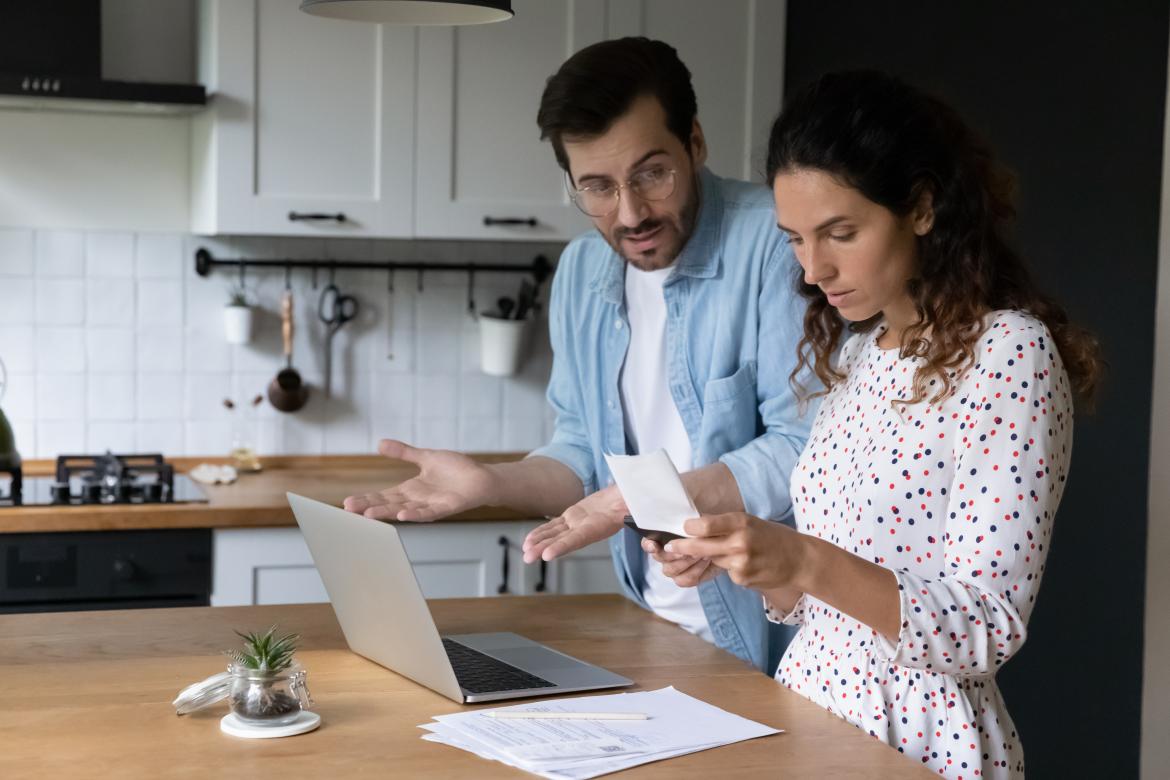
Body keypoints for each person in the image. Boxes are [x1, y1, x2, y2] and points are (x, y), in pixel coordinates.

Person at [652, 70, 1103, 778]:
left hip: (922, 742)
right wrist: (754, 563)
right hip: (811, 721)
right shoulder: (862, 353)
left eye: (840, 232)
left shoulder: (1009, 355)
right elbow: (824, 606)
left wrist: (800, 558)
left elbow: (988, 625)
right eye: (795, 240)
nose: (813, 268)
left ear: (921, 208)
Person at [343, 37, 814, 674]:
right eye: (596, 186)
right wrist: (492, 484)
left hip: (777, 631)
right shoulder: (581, 269)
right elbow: (582, 452)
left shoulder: (775, 242)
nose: (630, 213)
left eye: (653, 174)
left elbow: (803, 446)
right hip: (651, 620)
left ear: (695, 144)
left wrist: (642, 498)